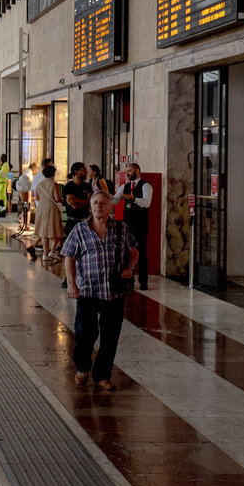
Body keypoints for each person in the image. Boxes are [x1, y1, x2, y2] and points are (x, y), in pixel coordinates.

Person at [61, 191, 139, 390]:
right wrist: (71, 283)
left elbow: (134, 251)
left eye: (103, 203)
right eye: (95, 203)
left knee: (110, 335)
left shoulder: (121, 229)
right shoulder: (79, 230)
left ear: (111, 207)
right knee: (85, 333)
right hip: (88, 290)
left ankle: (102, 375)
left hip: (113, 292)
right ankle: (82, 368)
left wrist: (129, 268)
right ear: (90, 207)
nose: (99, 206)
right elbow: (68, 257)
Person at [115, 163, 153, 289]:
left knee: (141, 251)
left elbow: (147, 203)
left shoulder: (146, 186)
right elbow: (115, 199)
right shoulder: (124, 186)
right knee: (126, 251)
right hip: (127, 224)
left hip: (140, 224)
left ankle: (143, 282)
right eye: (127, 171)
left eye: (130, 170)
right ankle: (128, 281)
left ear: (137, 170)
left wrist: (134, 198)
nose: (128, 173)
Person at [60, 162, 92, 237]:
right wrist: (84, 202)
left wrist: (76, 200)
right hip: (72, 222)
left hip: (86, 220)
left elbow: (90, 202)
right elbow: (72, 204)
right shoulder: (68, 186)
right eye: (83, 170)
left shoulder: (87, 186)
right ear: (76, 171)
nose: (86, 172)